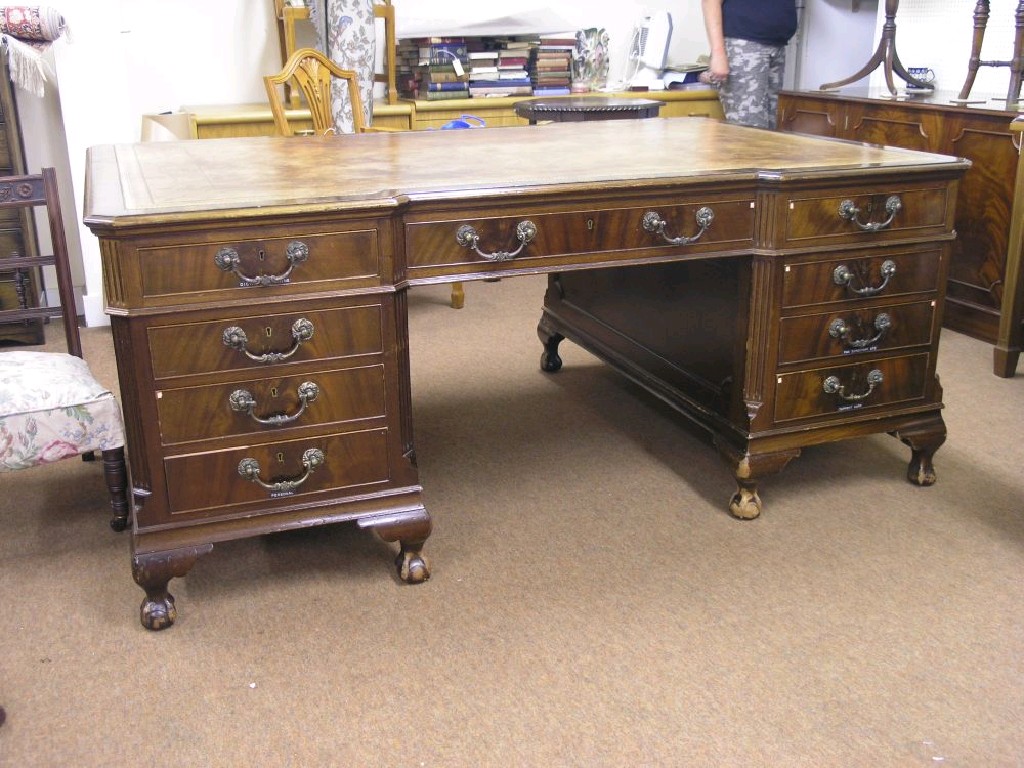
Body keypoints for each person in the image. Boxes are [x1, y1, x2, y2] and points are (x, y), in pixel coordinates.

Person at [700, 0, 798, 130]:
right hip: (745, 47)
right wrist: (718, 53)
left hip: (777, 47)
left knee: (769, 136)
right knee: (750, 133)